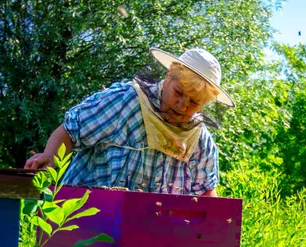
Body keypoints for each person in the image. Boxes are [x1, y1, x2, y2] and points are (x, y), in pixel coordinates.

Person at [25, 47, 235, 197]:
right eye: (178, 92)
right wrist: (50, 158)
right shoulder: (125, 102)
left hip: (151, 238)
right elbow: (71, 131)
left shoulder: (200, 141)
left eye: (194, 102)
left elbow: (206, 193)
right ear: (169, 74)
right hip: (82, 220)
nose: (181, 105)